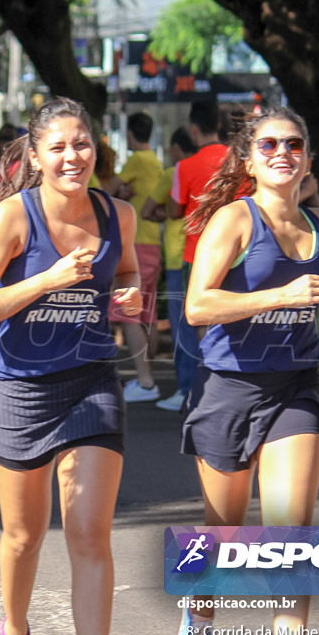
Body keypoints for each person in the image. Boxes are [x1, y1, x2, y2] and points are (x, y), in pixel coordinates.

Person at [175, 107, 319, 635]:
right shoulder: (235, 221)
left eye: (293, 145)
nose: (282, 154)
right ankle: (198, 621)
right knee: (224, 533)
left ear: (308, 157)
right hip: (230, 388)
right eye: (268, 146)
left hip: (296, 387)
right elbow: (196, 306)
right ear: (249, 160)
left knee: (290, 539)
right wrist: (279, 298)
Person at [0, 97, 142, 635]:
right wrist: (47, 281)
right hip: (20, 388)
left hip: (91, 383)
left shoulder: (118, 216)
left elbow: (127, 268)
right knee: (24, 536)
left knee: (88, 533)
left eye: (81, 144)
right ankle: (15, 633)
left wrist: (130, 294)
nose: (72, 156)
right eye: (57, 147)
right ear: (36, 156)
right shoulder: (14, 216)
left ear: (96, 147)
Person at [167, 100, 228, 412]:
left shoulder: (184, 167)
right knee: (232, 321)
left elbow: (174, 209)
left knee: (196, 323)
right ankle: (226, 386)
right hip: (238, 255)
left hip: (197, 255)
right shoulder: (240, 162)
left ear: (193, 130)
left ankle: (195, 391)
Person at [140, 126, 196, 411]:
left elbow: (148, 210)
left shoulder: (175, 172)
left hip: (178, 258)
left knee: (182, 328)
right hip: (211, 255)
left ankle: (186, 389)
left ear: (176, 148)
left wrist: (172, 215)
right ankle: (201, 390)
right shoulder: (218, 169)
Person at [115, 112, 163, 403]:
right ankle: (148, 377)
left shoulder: (136, 161)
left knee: (127, 311)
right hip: (155, 243)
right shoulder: (156, 162)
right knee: (149, 314)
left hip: (136, 243)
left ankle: (145, 381)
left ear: (131, 134)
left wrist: (121, 192)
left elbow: (107, 193)